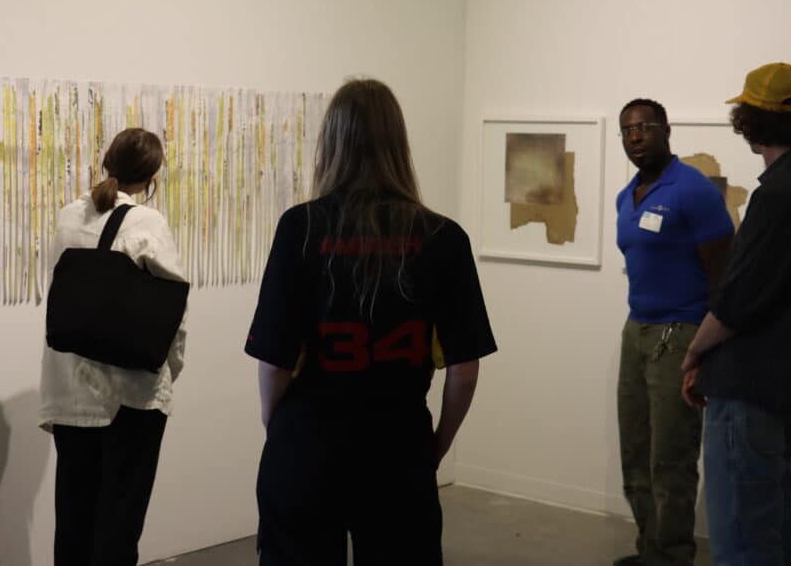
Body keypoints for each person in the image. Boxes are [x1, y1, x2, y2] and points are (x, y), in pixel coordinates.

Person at [244, 78, 497, 566]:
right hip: (398, 445)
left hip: (307, 440)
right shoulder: (443, 237)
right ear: (398, 144)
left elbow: (273, 362)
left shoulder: (300, 227)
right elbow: (464, 369)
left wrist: (278, 428)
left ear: (330, 144)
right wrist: (436, 446)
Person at [681, 62, 791, 565]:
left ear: (749, 121)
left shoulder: (778, 195)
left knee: (743, 537)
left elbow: (739, 300)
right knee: (772, 522)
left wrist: (693, 350)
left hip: (746, 386)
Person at [39, 127, 187, 566]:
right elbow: (173, 313)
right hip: (131, 399)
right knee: (118, 527)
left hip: (67, 392)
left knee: (73, 522)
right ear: (153, 174)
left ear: (108, 161)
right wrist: (169, 372)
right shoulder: (148, 223)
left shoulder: (69, 215)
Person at [613, 99, 734, 566]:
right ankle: (650, 548)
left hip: (681, 332)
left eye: (644, 127)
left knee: (671, 456)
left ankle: (673, 554)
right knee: (636, 451)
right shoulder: (628, 196)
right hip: (636, 329)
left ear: (666, 130)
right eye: (626, 130)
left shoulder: (693, 190)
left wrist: (704, 351)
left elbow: (723, 278)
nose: (635, 137)